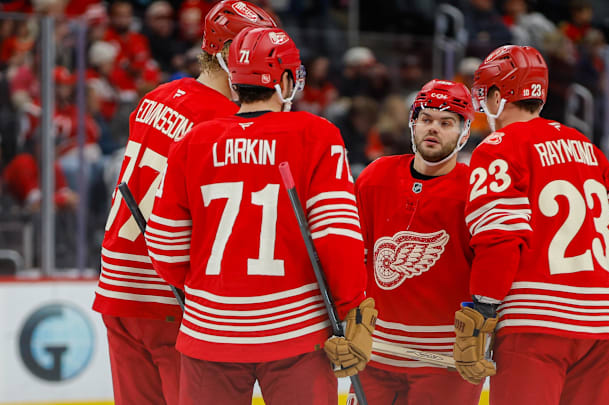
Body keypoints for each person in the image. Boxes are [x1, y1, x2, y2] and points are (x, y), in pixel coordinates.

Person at [146, 26, 375, 405]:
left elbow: (165, 246)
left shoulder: (193, 142)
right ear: (286, 80)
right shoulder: (315, 134)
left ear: (234, 81)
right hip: (296, 333)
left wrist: (210, 297)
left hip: (208, 334)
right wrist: (353, 306)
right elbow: (337, 236)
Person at [92, 2, 277, 404]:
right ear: (229, 52)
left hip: (119, 285)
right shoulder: (228, 124)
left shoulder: (156, 96)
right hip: (170, 295)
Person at [453, 45, 609, 405]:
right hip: (601, 330)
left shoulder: (498, 147)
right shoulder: (588, 148)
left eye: (485, 93)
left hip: (536, 326)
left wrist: (483, 309)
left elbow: (500, 236)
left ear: (499, 94)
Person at [351, 79, 482, 405]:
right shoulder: (376, 176)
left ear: (464, 132)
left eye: (446, 122)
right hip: (376, 352)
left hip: (445, 359)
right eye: (426, 119)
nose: (433, 129)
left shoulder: (476, 188)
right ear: (413, 123)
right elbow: (355, 254)